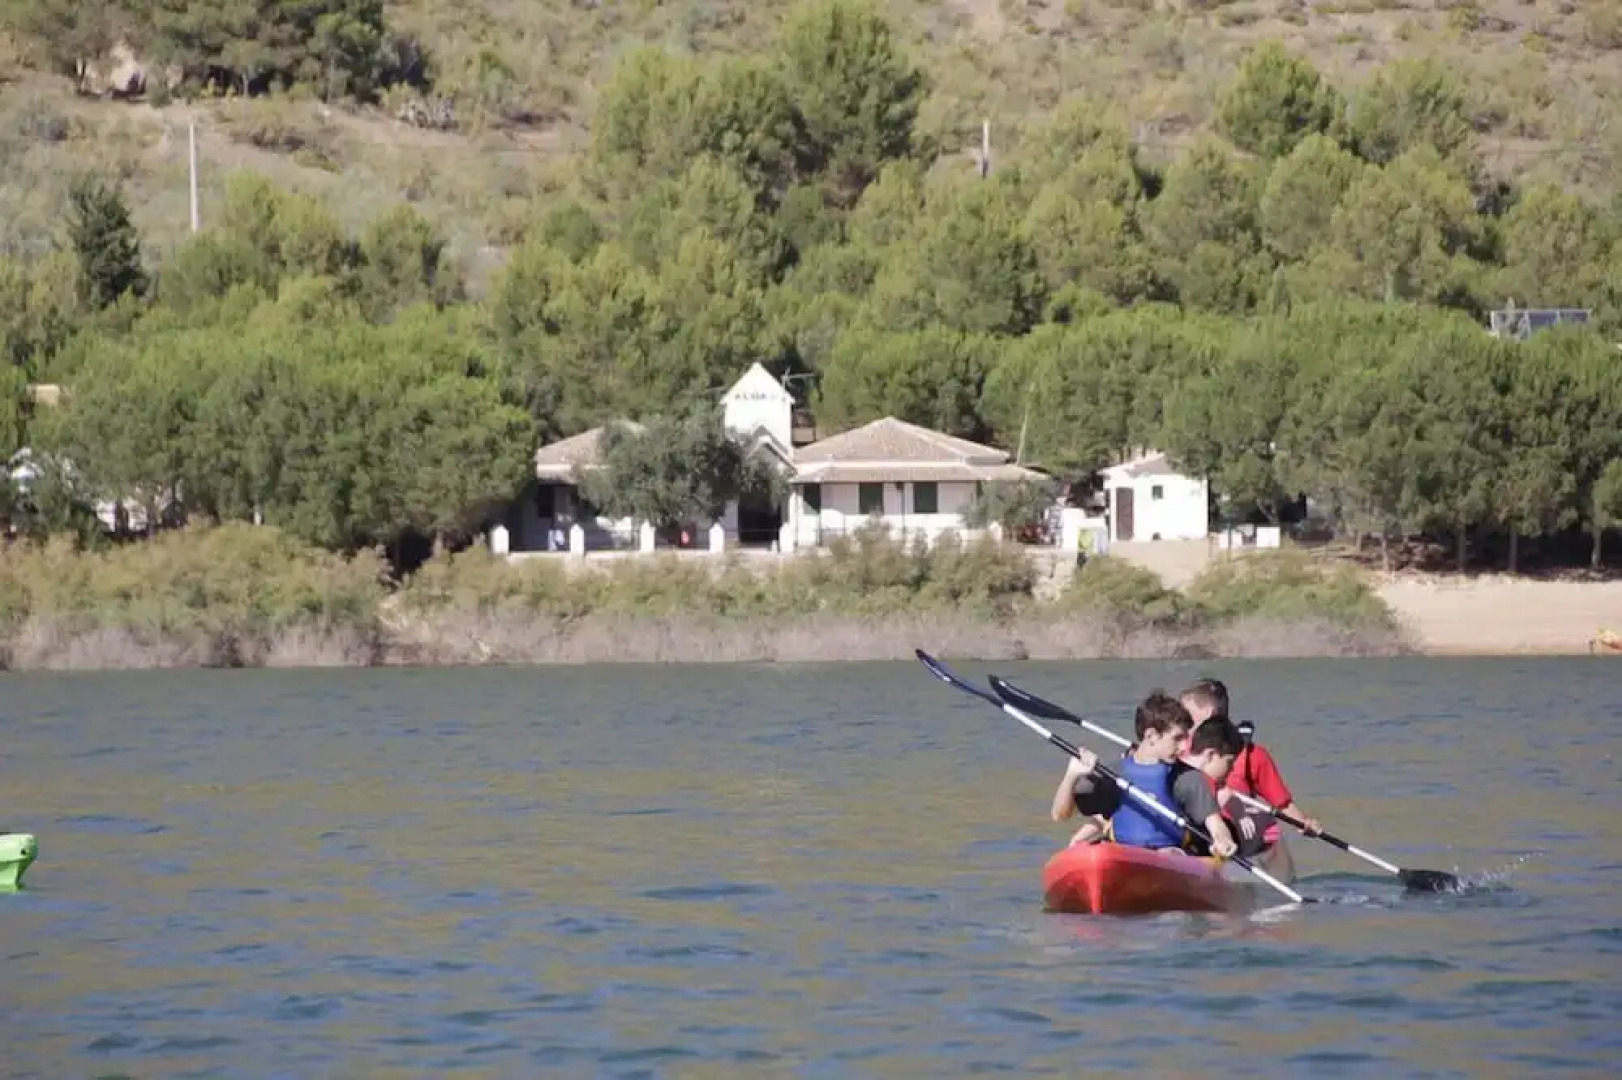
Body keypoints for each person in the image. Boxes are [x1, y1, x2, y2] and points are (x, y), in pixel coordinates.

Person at [1050, 691, 1237, 858]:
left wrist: (1223, 840)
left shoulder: (1187, 778)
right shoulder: (1113, 774)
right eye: (1177, 738)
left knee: (1169, 853)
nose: (1183, 747)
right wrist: (1072, 775)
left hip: (1171, 854)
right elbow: (1060, 815)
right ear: (1151, 736)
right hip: (1122, 854)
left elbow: (1215, 824)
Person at [1179, 714, 1278, 861]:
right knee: (1262, 822)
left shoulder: (1178, 766)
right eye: (1229, 762)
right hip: (1184, 839)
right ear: (1210, 755)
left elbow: (1225, 795)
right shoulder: (1200, 779)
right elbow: (1224, 795)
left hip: (1196, 840)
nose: (1231, 770)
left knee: (1261, 820)